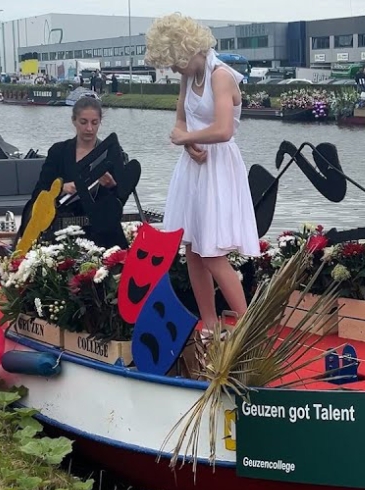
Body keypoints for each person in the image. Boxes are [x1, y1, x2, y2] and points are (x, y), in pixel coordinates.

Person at [144, 12, 261, 339]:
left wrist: (187, 139)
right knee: (193, 249)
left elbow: (224, 130)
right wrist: (185, 141)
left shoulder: (221, 76)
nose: (173, 70)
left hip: (218, 165)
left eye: (174, 62)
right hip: (195, 165)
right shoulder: (189, 77)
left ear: (187, 50)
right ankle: (210, 324)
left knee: (212, 251)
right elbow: (180, 121)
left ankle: (249, 326)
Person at [16, 96, 119, 244]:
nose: (89, 128)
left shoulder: (111, 154)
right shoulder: (58, 151)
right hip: (57, 231)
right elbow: (39, 192)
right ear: (74, 121)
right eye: (83, 122)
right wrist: (61, 188)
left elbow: (120, 199)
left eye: (94, 123)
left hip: (95, 234)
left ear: (100, 122)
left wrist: (111, 185)